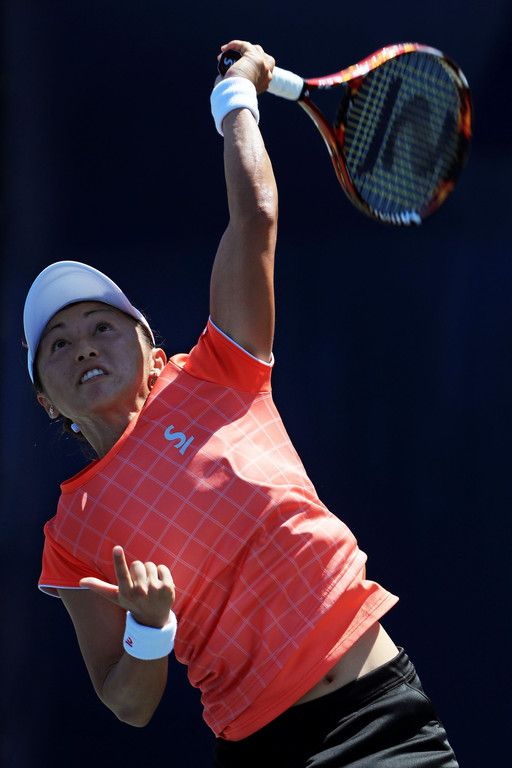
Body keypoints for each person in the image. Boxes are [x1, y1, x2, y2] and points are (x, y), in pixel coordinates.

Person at [24, 40, 459, 768]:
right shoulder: (71, 534)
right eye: (58, 344)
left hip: (379, 714)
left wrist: (237, 102)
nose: (84, 348)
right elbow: (128, 702)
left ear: (151, 348)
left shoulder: (218, 373)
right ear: (47, 400)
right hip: (263, 752)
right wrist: (149, 630)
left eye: (102, 326)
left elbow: (255, 215)